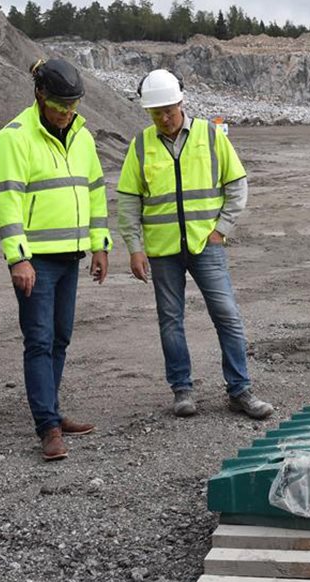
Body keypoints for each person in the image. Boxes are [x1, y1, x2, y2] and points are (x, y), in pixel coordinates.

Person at [116, 69, 273, 420]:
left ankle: (240, 390)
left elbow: (237, 185)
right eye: (156, 114)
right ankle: (182, 389)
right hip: (163, 251)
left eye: (169, 111)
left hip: (207, 245)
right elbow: (128, 199)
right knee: (170, 320)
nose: (164, 119)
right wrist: (134, 247)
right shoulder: (141, 145)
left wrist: (221, 230)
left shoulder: (211, 136)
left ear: (181, 103)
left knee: (227, 316)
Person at [0, 58, 112, 460]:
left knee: (60, 338)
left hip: (71, 256)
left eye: (73, 104)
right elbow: (7, 202)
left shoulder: (82, 136)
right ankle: (48, 427)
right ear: (40, 94)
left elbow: (94, 192)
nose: (68, 111)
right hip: (36, 261)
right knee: (38, 341)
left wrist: (100, 245)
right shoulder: (14, 138)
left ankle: (53, 413)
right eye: (61, 104)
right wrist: (18, 259)